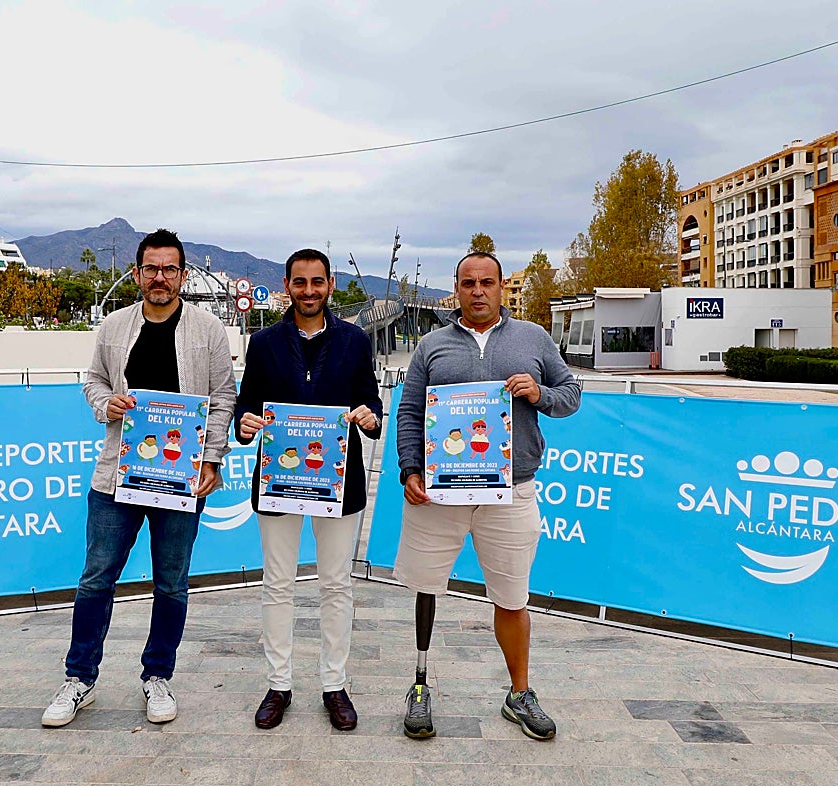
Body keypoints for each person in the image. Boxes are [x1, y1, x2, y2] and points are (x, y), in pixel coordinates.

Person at [42, 228, 236, 727]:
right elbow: (94, 381)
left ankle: (158, 676)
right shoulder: (113, 326)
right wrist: (105, 403)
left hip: (182, 477)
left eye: (169, 269)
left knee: (171, 584)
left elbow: (223, 398)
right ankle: (79, 678)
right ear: (136, 274)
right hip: (117, 477)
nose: (160, 277)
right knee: (96, 578)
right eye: (151, 268)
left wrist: (211, 459)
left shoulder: (209, 330)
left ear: (183, 276)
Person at [394, 250, 580, 740]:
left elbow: (571, 394)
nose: (478, 291)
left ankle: (520, 693)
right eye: (468, 282)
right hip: (440, 492)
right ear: (456, 288)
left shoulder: (533, 338)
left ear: (500, 287)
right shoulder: (431, 345)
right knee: (426, 586)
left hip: (511, 491)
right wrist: (410, 468)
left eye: (487, 282)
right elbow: (410, 411)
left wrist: (540, 394)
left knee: (513, 597)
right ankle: (420, 685)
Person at [236, 248, 382, 731]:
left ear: (331, 285)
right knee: (277, 584)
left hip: (337, 483)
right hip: (279, 481)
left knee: (336, 584)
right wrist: (245, 424)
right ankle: (278, 684)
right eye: (300, 282)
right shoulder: (263, 343)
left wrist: (369, 417)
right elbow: (245, 406)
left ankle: (334, 684)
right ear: (287, 286)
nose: (309, 291)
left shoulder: (355, 340)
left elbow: (371, 402)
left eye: (317, 282)